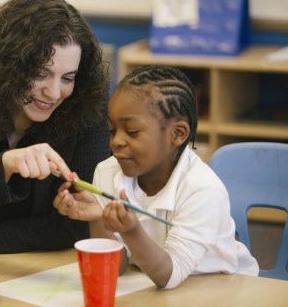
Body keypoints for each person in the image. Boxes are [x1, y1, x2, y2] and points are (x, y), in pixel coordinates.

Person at [0, 0, 111, 266]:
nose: (53, 93)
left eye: (68, 78)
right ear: (7, 65)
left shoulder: (88, 105)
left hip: (41, 268)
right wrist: (4, 166)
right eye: (40, 73)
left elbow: (76, 223)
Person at [53, 64, 259, 289]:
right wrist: (97, 217)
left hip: (222, 289)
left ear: (177, 134)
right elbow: (116, 268)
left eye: (132, 132)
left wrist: (131, 231)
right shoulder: (107, 171)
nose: (116, 141)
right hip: (155, 286)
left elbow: (169, 276)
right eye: (112, 131)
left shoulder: (202, 189)